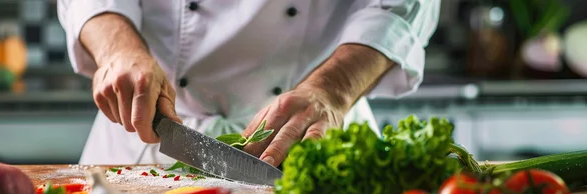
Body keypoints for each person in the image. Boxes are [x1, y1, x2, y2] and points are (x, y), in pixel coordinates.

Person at [57, 0, 440, 167]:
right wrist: (117, 49)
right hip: (144, 130)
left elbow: (400, 5)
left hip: (314, 132)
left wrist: (334, 88)